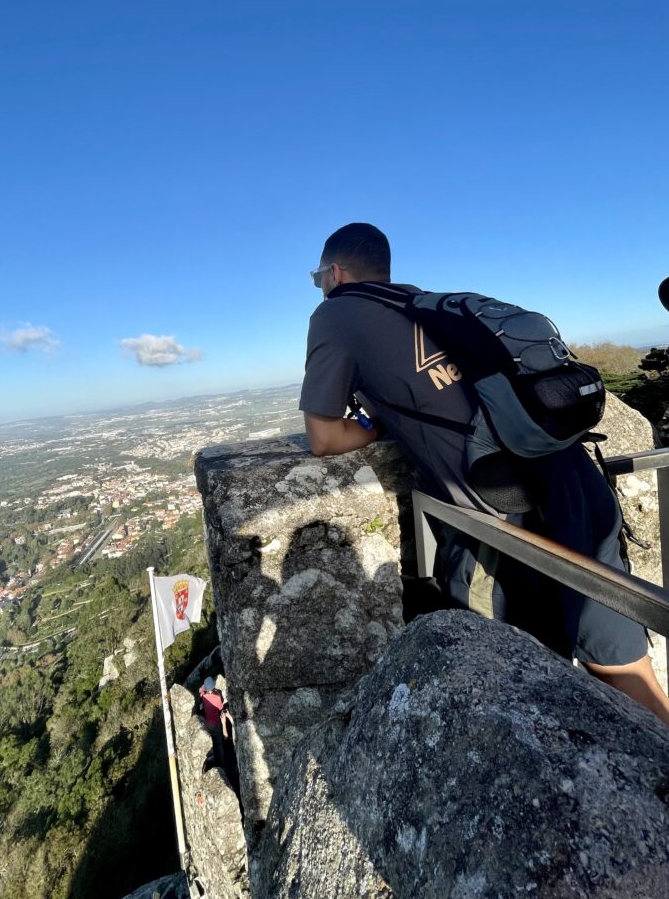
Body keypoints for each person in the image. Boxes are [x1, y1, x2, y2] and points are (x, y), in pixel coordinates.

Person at [300, 222, 669, 725]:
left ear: (335, 272)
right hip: (577, 483)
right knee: (628, 673)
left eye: (318, 277)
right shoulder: (423, 304)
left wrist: (375, 424)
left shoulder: (335, 314)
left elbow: (323, 438)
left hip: (509, 519)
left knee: (514, 691)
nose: (320, 286)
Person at [198, 676, 227, 767]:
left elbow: (201, 689)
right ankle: (221, 765)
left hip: (207, 724)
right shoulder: (217, 697)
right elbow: (221, 708)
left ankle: (213, 762)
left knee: (213, 744)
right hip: (217, 724)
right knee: (219, 744)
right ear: (213, 686)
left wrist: (204, 687)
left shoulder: (203, 696)